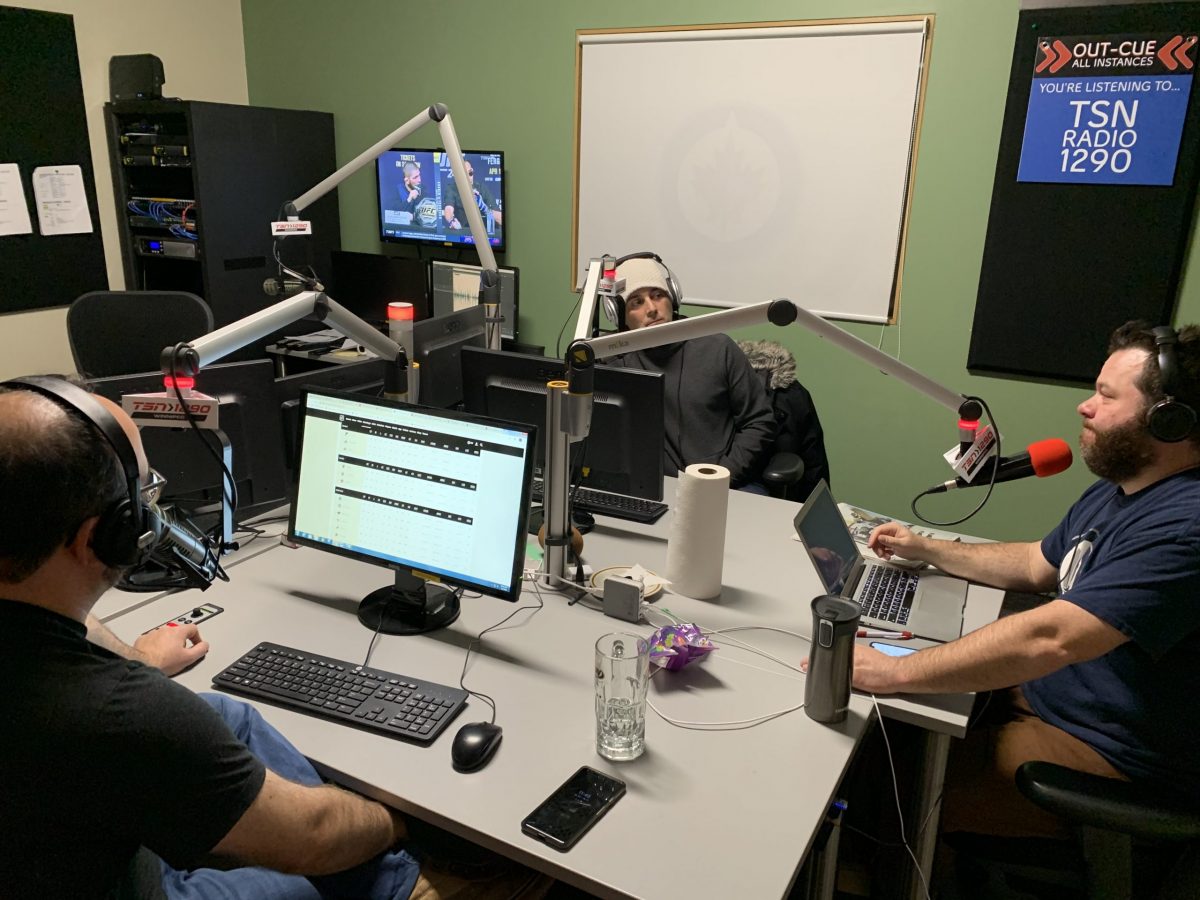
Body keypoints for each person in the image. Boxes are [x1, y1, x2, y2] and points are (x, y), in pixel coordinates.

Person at [0, 377, 549, 899]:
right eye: (144, 495)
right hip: (153, 889)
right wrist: (403, 819)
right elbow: (312, 836)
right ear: (107, 535)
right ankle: (402, 881)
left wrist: (138, 659)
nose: (152, 511)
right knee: (341, 855)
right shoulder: (121, 713)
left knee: (227, 713)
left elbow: (84, 635)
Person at [847, 321, 1200, 838]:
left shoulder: (1185, 527)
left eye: (1106, 396)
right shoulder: (1127, 487)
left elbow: (1051, 638)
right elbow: (1038, 563)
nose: (1084, 406)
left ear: (1169, 421)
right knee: (887, 735)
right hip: (1048, 696)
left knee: (884, 795)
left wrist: (894, 672)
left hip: (1108, 754)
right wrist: (928, 550)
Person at [607, 256, 776, 491]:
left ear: (673, 298)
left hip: (727, 484)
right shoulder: (613, 364)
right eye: (637, 302)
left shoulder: (718, 348)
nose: (652, 309)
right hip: (653, 489)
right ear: (620, 316)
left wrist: (722, 477)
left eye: (658, 295)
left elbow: (759, 422)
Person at [442, 160, 501, 231]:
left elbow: (500, 219)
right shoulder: (452, 189)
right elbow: (448, 209)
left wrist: (484, 208)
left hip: (483, 234)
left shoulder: (482, 188)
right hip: (463, 232)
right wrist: (452, 221)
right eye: (464, 174)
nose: (469, 177)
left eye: (470, 173)